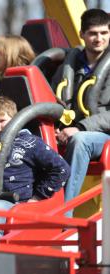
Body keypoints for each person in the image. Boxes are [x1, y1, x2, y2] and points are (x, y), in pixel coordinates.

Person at [0, 97, 70, 243]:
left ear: (15, 120)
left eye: (2, 121)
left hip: (18, 203)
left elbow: (61, 168)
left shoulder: (29, 142)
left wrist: (37, 198)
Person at [52, 9, 110, 216]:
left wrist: (80, 127)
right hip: (70, 128)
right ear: (82, 34)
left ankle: (62, 216)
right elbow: (53, 98)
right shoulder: (69, 65)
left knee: (81, 141)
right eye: (93, 33)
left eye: (104, 33)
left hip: (102, 135)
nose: (99, 38)